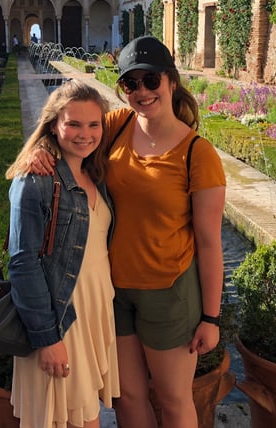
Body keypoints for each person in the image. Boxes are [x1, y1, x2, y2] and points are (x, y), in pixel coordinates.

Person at [30, 36, 226, 428]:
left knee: (173, 400)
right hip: (114, 291)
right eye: (130, 84)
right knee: (126, 396)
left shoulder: (197, 154)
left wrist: (211, 317)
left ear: (171, 81)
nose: (141, 91)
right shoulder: (118, 126)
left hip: (168, 292)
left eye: (150, 80)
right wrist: (42, 151)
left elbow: (209, 242)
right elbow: (73, 132)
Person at [6, 79, 120, 428]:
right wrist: (48, 339)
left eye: (93, 124)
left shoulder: (95, 174)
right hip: (61, 321)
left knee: (83, 419)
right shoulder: (35, 179)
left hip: (92, 316)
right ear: (54, 126)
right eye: (73, 123)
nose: (84, 134)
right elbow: (22, 263)